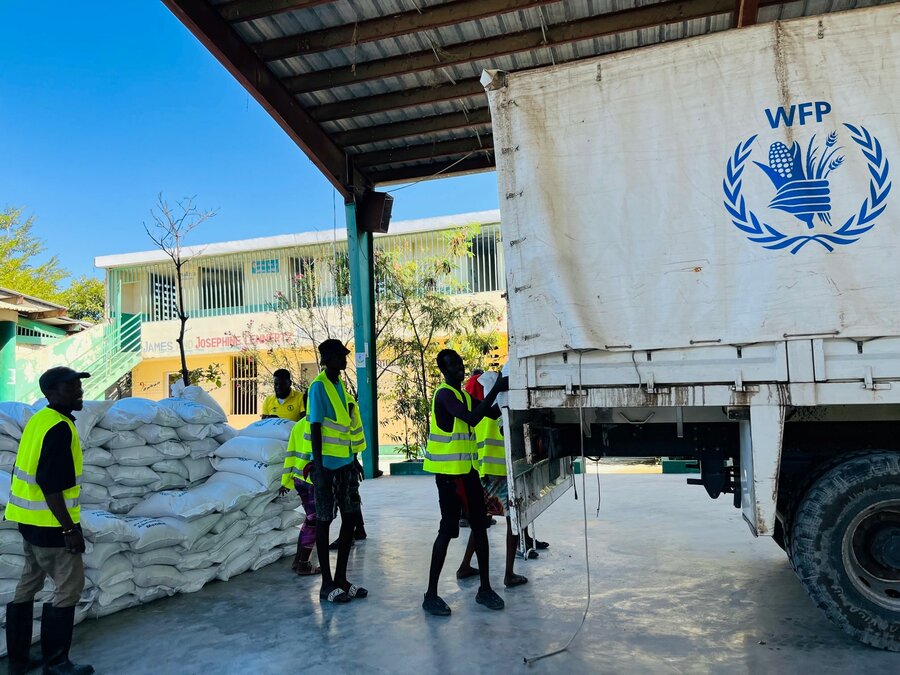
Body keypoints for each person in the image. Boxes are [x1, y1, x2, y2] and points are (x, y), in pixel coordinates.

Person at [5, 367, 94, 675]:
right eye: (71, 387)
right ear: (52, 393)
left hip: (28, 522)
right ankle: (57, 664)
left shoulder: (39, 421)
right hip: (52, 526)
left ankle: (18, 661)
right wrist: (69, 529)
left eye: (79, 386)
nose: (79, 392)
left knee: (28, 585)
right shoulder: (59, 427)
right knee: (69, 589)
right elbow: (49, 483)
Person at [422, 349, 508, 616]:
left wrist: (507, 392)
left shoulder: (461, 395)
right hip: (449, 476)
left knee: (480, 526)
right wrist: (495, 391)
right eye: (453, 366)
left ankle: (484, 589)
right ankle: (431, 594)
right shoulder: (445, 395)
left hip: (468, 471)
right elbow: (471, 418)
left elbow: (490, 415)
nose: (459, 368)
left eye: (460, 364)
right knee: (447, 530)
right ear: (443, 370)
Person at [308, 339, 368, 604]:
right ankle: (326, 584)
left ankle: (342, 578)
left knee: (352, 517)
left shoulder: (339, 385)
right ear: (329, 358)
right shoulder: (318, 387)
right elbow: (316, 428)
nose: (345, 360)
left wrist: (354, 458)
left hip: (345, 465)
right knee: (324, 520)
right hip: (328, 469)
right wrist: (319, 469)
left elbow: (345, 427)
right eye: (341, 356)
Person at [456, 407, 529, 588]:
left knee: (482, 522)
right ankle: (509, 574)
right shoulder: (500, 397)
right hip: (501, 468)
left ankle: (465, 565)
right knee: (513, 519)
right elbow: (506, 429)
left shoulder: (482, 396)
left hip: (485, 467)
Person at [279, 391, 319, 576]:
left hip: (299, 480)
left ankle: (298, 560)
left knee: (310, 520)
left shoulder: (298, 426)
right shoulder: (317, 425)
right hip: (312, 480)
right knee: (314, 521)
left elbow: (290, 455)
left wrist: (286, 481)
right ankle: (303, 563)